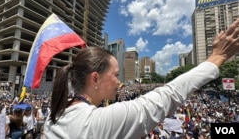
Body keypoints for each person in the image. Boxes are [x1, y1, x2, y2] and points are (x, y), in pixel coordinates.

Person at [44, 18, 239, 139]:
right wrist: (217, 57)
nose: (119, 83)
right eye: (116, 75)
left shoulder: (53, 118)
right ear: (95, 79)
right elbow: (167, 95)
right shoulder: (97, 122)